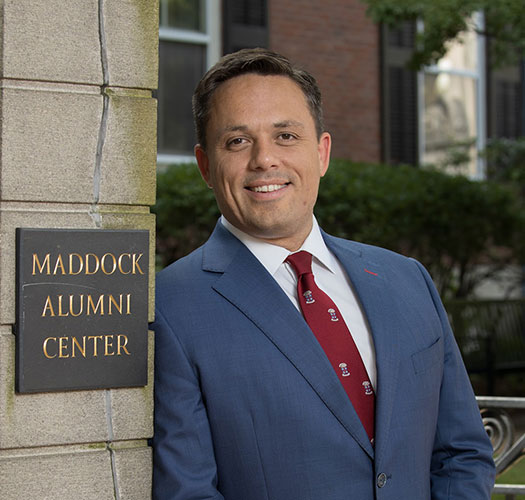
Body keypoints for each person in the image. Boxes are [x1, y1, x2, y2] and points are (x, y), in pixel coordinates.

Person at [152, 48, 495, 499]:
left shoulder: (407, 279)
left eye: (286, 136)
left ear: (322, 153)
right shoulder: (171, 308)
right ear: (204, 167)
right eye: (237, 141)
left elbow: (462, 453)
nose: (264, 160)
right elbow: (189, 491)